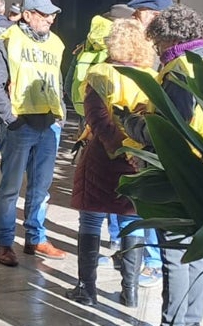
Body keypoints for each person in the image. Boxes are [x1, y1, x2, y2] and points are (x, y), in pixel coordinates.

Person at [124, 4, 203, 326]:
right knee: (196, 249)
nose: (156, 51)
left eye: (157, 44)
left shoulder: (180, 70)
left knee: (174, 251)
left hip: (177, 170)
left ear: (170, 38)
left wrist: (132, 124)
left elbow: (169, 127)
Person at [66, 18, 156, 307]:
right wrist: (134, 150)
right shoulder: (152, 78)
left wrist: (118, 148)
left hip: (103, 157)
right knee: (133, 220)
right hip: (138, 158)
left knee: (91, 218)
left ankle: (86, 289)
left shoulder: (100, 73)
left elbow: (97, 118)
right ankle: (130, 292)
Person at [0, 0, 68, 267]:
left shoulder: (56, 43)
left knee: (41, 188)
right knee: (10, 189)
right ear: (28, 15)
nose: (50, 20)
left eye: (52, 14)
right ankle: (5, 243)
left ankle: (36, 237)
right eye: (44, 15)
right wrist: (11, 119)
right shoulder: (5, 42)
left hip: (48, 124)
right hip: (20, 126)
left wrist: (60, 116)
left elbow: (56, 80)